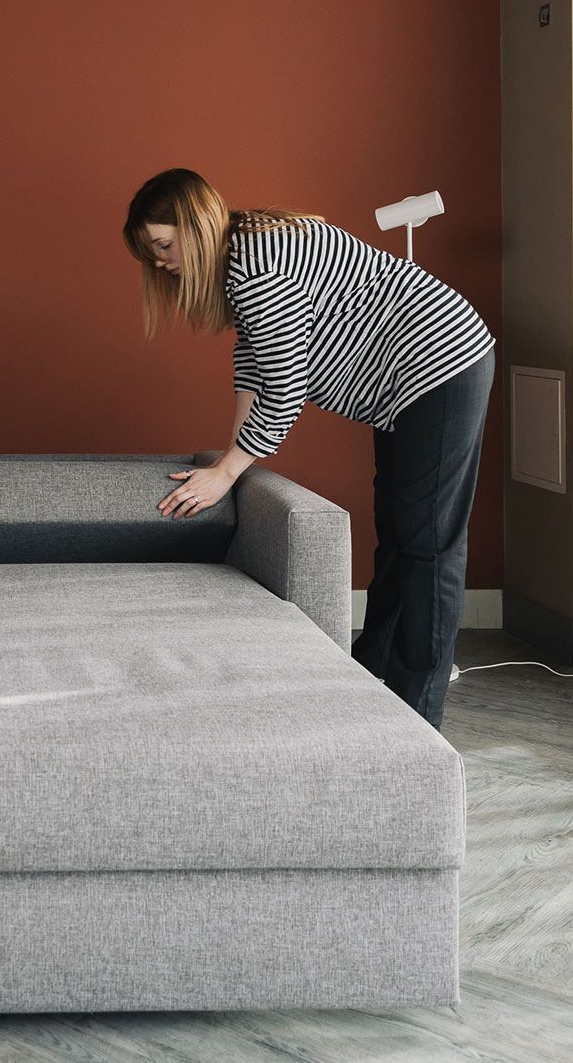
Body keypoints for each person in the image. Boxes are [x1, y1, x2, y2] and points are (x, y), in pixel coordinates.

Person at [121, 168, 494, 727]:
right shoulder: (242, 254)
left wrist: (228, 472)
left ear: (196, 228)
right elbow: (254, 364)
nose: (160, 262)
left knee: (428, 547)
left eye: (165, 245)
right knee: (399, 533)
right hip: (407, 385)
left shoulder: (255, 263)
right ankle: (370, 679)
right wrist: (229, 461)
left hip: (439, 367)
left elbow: (286, 384)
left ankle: (419, 717)